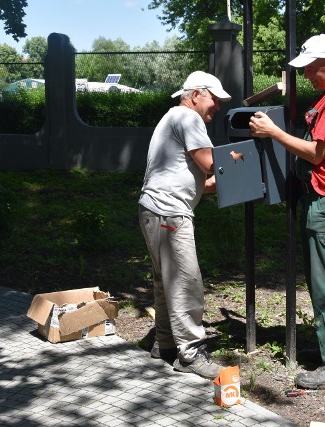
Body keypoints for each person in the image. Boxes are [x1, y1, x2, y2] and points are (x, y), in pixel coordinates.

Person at [249, 34, 325, 389]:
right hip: (322, 198)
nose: (309, 76)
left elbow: (317, 154)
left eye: (313, 69)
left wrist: (272, 132)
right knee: (322, 280)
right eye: (305, 70)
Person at [138, 71, 231, 380]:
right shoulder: (188, 119)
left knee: (166, 282)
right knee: (186, 282)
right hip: (169, 214)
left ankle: (164, 346)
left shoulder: (173, 119)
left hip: (154, 210)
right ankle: (190, 354)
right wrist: (243, 159)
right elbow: (209, 165)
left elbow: (202, 183)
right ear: (195, 94)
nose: (217, 106)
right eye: (214, 99)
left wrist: (238, 182)